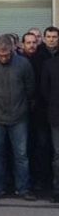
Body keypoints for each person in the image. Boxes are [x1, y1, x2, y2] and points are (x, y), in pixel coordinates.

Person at [0, 35, 36, 201]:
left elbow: (31, 89)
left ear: (12, 49)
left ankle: (23, 189)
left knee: (21, 155)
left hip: (19, 116)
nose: (3, 58)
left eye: (7, 54)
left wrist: (24, 107)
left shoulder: (23, 64)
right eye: (0, 55)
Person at [40, 49, 59, 203]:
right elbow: (45, 91)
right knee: (58, 156)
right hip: (56, 117)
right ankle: (57, 190)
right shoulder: (50, 64)